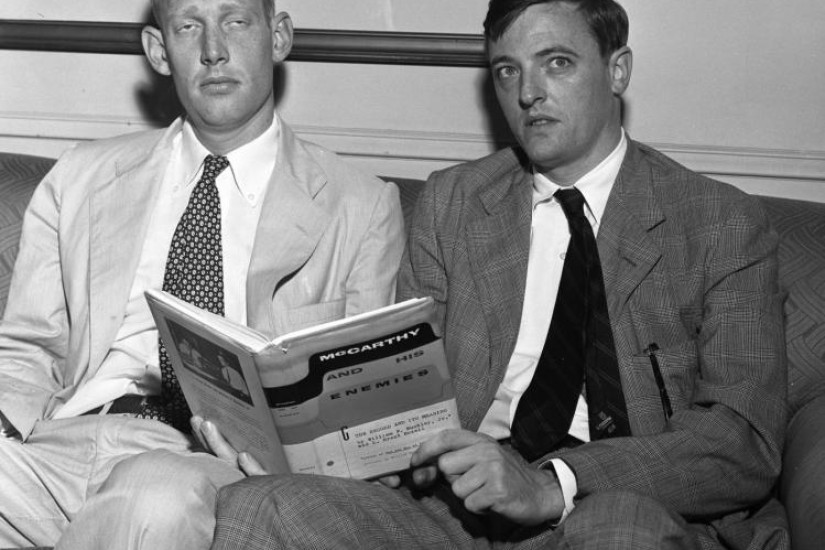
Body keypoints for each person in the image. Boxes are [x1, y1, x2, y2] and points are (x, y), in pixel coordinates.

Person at [208, 1, 790, 549]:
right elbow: (405, 393)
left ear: (618, 71)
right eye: (507, 71)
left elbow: (741, 441)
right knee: (261, 506)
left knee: (619, 528)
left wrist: (551, 484)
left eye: (556, 63)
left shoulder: (718, 222)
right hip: (456, 505)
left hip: (617, 501)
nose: (528, 93)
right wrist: (346, 449)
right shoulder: (455, 202)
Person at [0, 0, 404, 548]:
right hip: (64, 442)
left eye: (235, 21)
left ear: (278, 37)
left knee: (154, 497)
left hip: (208, 458)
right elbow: (29, 347)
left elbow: (357, 411)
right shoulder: (81, 176)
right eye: (189, 27)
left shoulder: (360, 205)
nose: (214, 51)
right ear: (158, 51)